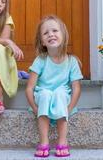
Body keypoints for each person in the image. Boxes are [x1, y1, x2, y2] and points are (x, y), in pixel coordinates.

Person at [25, 15, 82, 157]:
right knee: (45, 94)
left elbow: (76, 88)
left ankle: (62, 141)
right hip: (43, 96)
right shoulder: (41, 60)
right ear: (42, 41)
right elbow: (29, 88)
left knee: (60, 93)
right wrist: (34, 107)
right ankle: (44, 141)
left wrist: (69, 108)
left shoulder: (71, 61)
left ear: (63, 35)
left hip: (62, 98)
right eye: (46, 33)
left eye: (55, 31)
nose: (51, 34)